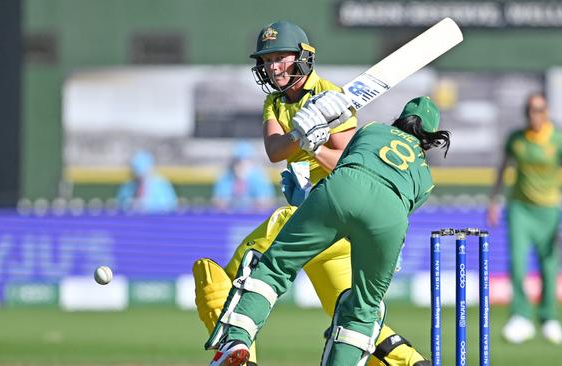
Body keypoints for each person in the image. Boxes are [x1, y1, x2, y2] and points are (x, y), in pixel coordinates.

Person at [192, 21, 430, 366]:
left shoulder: (330, 96)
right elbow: (275, 149)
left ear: (303, 57)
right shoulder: (274, 103)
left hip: (326, 211)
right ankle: (412, 363)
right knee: (350, 314)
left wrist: (316, 145)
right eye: (268, 59)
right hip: (319, 227)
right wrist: (300, 137)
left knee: (227, 278)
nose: (273, 67)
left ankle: (237, 352)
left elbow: (353, 166)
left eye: (280, 58)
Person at [208, 96, 450, 366]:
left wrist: (312, 189)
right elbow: (389, 211)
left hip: (343, 189)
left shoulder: (373, 129)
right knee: (363, 309)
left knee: (275, 266)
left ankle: (237, 339)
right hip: (390, 221)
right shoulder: (427, 178)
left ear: (400, 118)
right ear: (429, 137)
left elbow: (345, 170)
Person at [487, 93, 562, 345]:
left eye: (540, 109)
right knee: (518, 264)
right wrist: (494, 200)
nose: (536, 114)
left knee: (549, 265)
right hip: (520, 208)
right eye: (531, 109)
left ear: (547, 111)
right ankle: (521, 317)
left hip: (549, 210)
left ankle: (549, 318)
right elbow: (503, 168)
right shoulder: (517, 139)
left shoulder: (559, 140)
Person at [212, 142, 275, 211]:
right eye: (238, 161)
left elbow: (266, 202)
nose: (241, 164)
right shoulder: (226, 177)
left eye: (245, 160)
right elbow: (218, 202)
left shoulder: (259, 177)